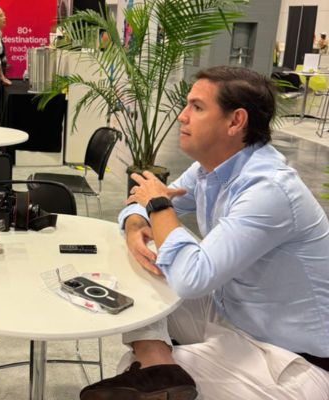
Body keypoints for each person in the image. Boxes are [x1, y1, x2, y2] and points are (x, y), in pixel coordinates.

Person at [81, 66, 329, 400]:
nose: (182, 116)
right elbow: (138, 204)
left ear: (235, 121)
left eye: (197, 107)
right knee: (137, 270)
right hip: (234, 317)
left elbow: (191, 278)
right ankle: (157, 361)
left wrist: (158, 206)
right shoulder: (209, 170)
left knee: (131, 372)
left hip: (292, 361)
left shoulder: (269, 190)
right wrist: (135, 225)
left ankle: (156, 366)